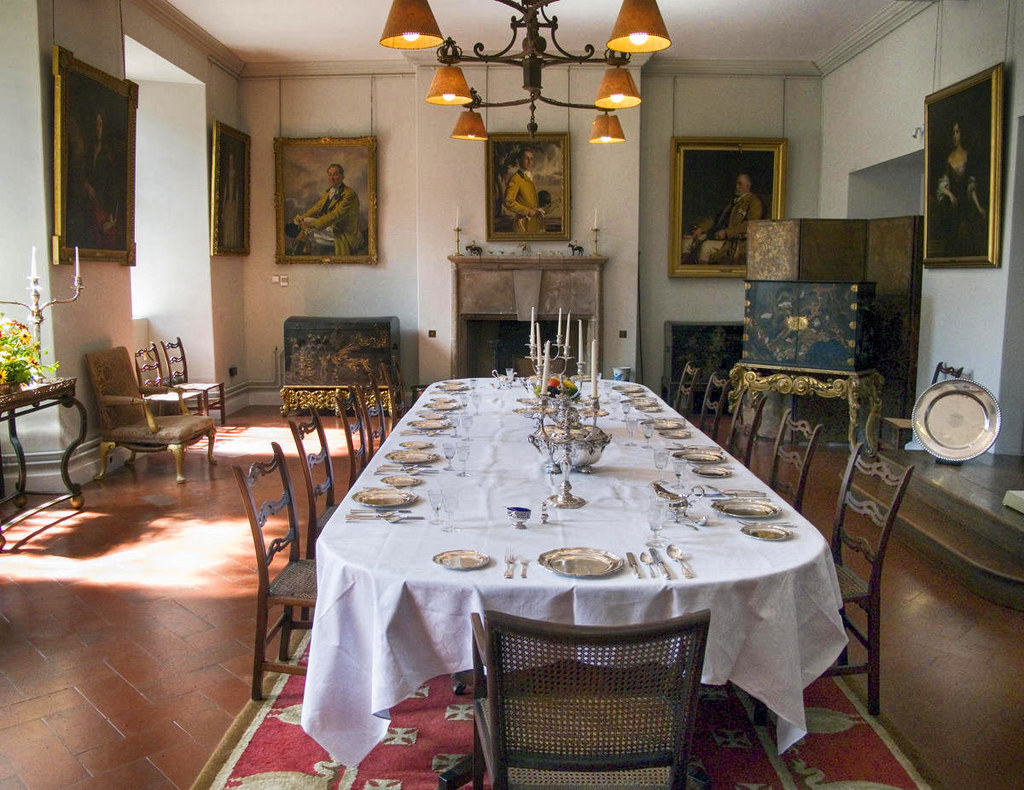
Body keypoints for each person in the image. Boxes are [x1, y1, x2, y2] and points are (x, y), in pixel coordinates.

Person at [681, 173, 763, 265]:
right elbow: (714, 218)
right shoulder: (730, 201)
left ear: (748, 186)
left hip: (731, 241)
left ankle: (702, 276)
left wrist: (726, 233)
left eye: (740, 184)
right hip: (714, 234)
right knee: (685, 244)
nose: (736, 186)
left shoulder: (754, 202)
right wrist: (701, 228)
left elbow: (750, 224)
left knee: (705, 247)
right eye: (736, 183)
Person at [286, 163, 364, 255]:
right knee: (306, 225)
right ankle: (302, 254)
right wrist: (299, 219)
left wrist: (312, 223)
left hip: (342, 233)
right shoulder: (329, 192)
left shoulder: (349, 194)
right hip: (330, 228)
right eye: (330, 174)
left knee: (307, 230)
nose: (332, 178)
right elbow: (315, 209)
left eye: (335, 174)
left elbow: (335, 215)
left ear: (342, 176)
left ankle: (299, 254)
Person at [935, 120, 986, 257]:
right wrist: (951, 195)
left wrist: (978, 206)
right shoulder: (949, 158)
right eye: (953, 132)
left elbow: (971, 186)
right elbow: (943, 184)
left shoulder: (969, 157)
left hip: (965, 204)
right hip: (953, 205)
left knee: (969, 237)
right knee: (951, 237)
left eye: (957, 132)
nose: (955, 136)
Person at [503, 148, 547, 234]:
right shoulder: (516, 179)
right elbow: (508, 201)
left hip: (535, 224)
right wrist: (527, 211)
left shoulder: (530, 177)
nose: (529, 161)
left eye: (531, 159)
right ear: (519, 160)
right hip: (523, 226)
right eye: (526, 158)